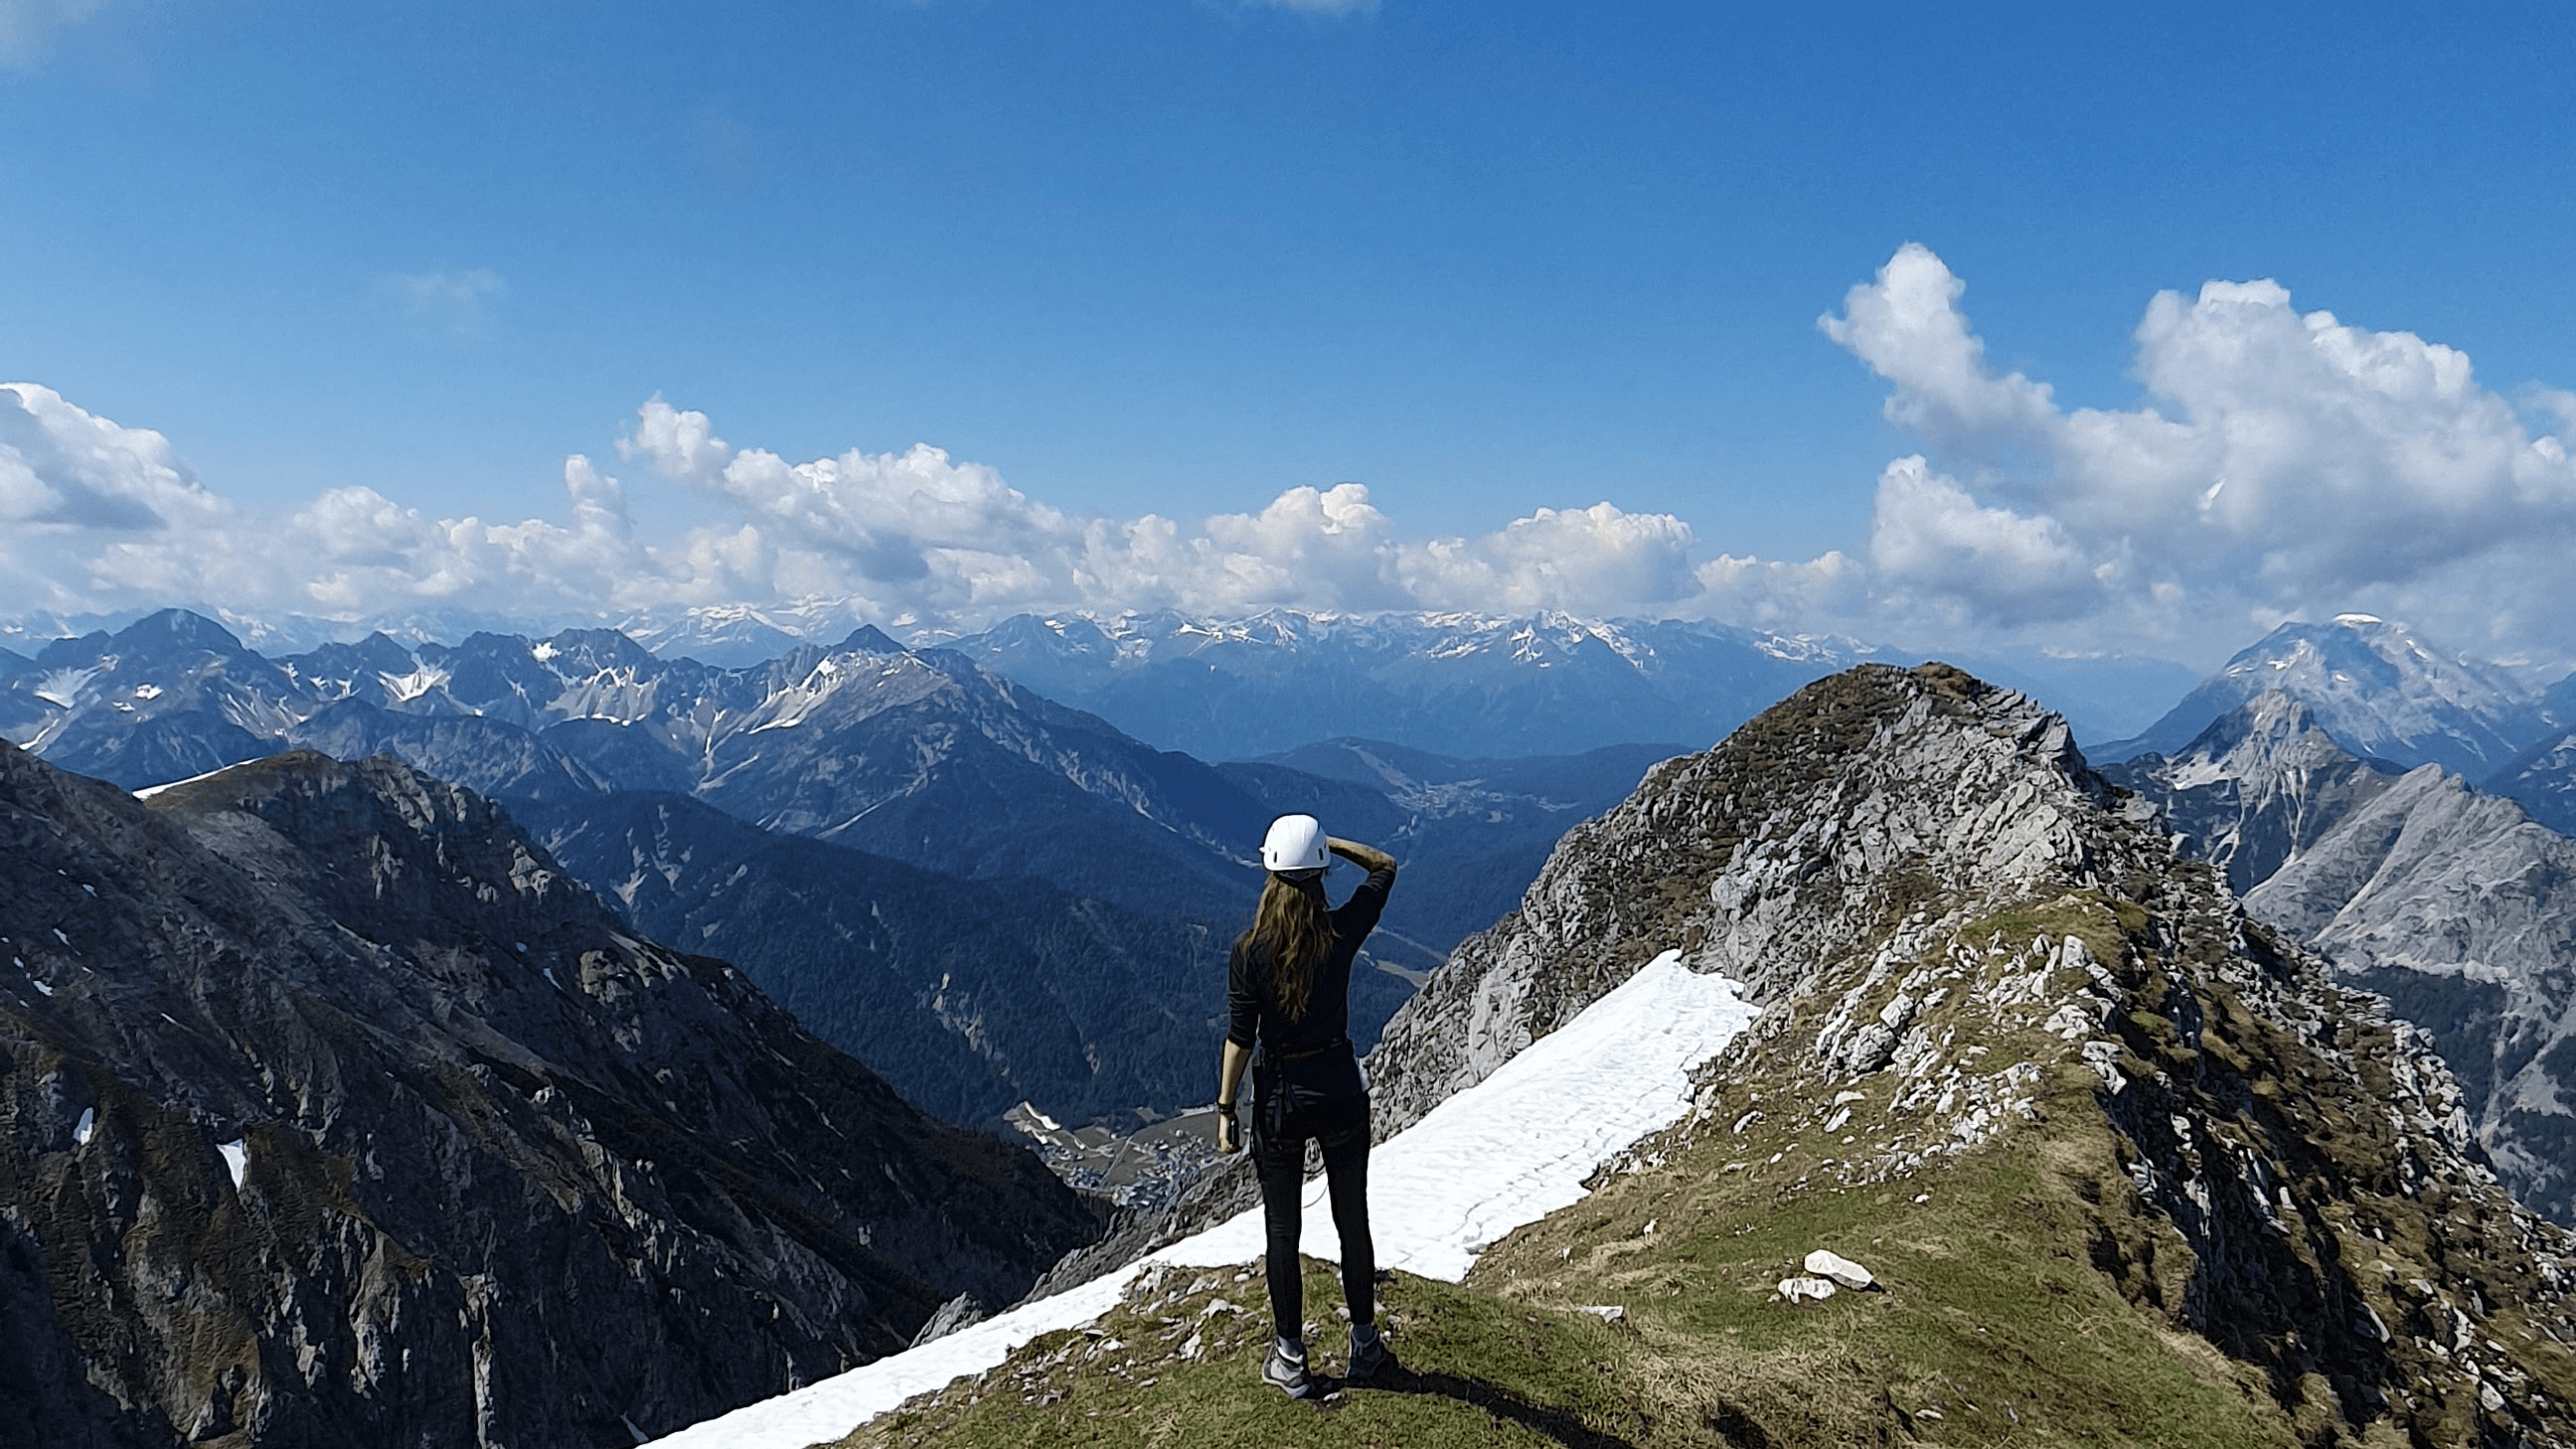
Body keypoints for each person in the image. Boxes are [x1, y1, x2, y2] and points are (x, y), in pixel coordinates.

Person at [1215, 813, 1399, 1399]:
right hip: (1341, 1089)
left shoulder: (1250, 952)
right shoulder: (1341, 932)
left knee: (1282, 1232)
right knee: (1353, 1223)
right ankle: (1365, 1346)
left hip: (1282, 1100)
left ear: (1268, 873)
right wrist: (1331, 845)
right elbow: (1384, 866)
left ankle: (1291, 1359)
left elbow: (1241, 1038)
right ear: (1319, 872)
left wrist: (1226, 1109)